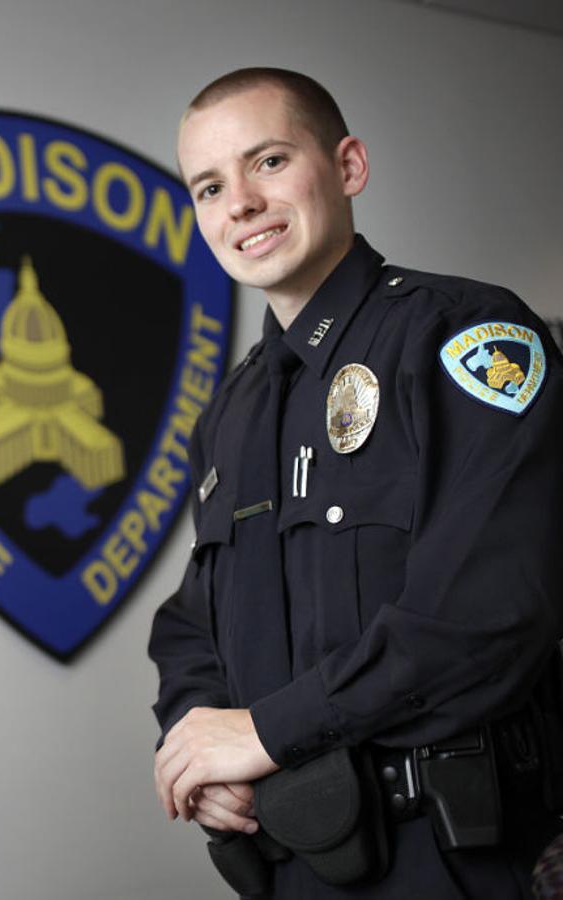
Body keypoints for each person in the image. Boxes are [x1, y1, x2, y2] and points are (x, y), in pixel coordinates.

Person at [148, 67, 563, 896]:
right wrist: (198, 737)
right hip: (295, 855)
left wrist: (267, 731)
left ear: (348, 167)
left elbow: (490, 613)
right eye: (210, 187)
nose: (241, 204)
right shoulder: (230, 410)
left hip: (454, 856)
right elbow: (195, 621)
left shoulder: (466, 336)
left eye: (268, 162)